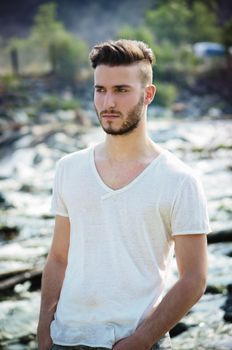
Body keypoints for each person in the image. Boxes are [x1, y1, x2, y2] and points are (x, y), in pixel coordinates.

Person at [37, 39, 211, 350]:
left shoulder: (180, 180)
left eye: (121, 90)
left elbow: (194, 279)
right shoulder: (69, 168)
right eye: (100, 90)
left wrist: (141, 340)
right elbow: (59, 258)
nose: (107, 103)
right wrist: (43, 330)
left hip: (138, 342)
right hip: (65, 339)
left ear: (148, 95)